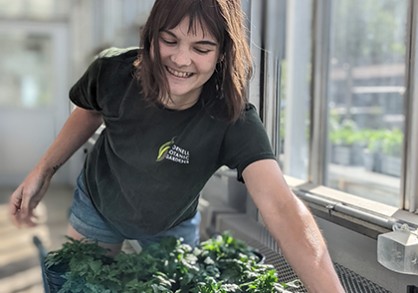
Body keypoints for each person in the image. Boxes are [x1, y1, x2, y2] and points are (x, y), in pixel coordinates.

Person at [9, 0, 345, 292]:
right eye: (170, 41)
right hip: (99, 205)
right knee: (83, 282)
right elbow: (89, 111)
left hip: (172, 225)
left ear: (223, 53)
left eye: (201, 48)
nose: (182, 60)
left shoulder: (232, 119)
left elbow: (281, 207)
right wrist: (45, 169)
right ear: (151, 35)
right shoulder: (113, 72)